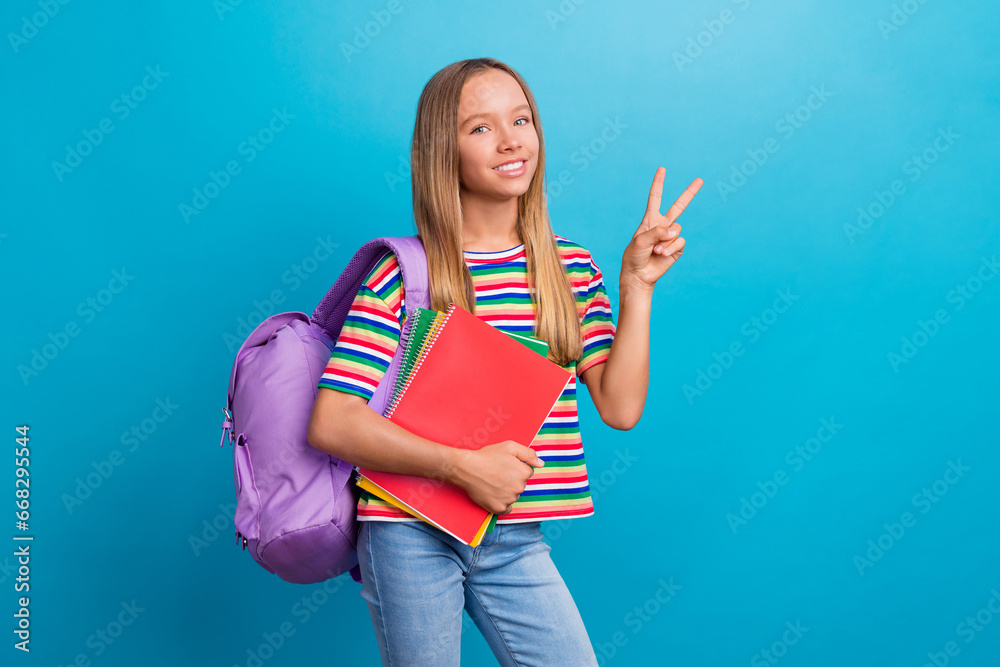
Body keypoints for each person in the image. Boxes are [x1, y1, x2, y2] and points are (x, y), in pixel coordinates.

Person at [306, 57, 701, 666]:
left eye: (521, 119)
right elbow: (333, 423)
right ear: (445, 150)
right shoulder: (408, 274)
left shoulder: (570, 269)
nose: (512, 140)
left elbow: (620, 408)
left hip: (516, 537)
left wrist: (636, 288)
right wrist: (461, 466)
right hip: (408, 528)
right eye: (481, 128)